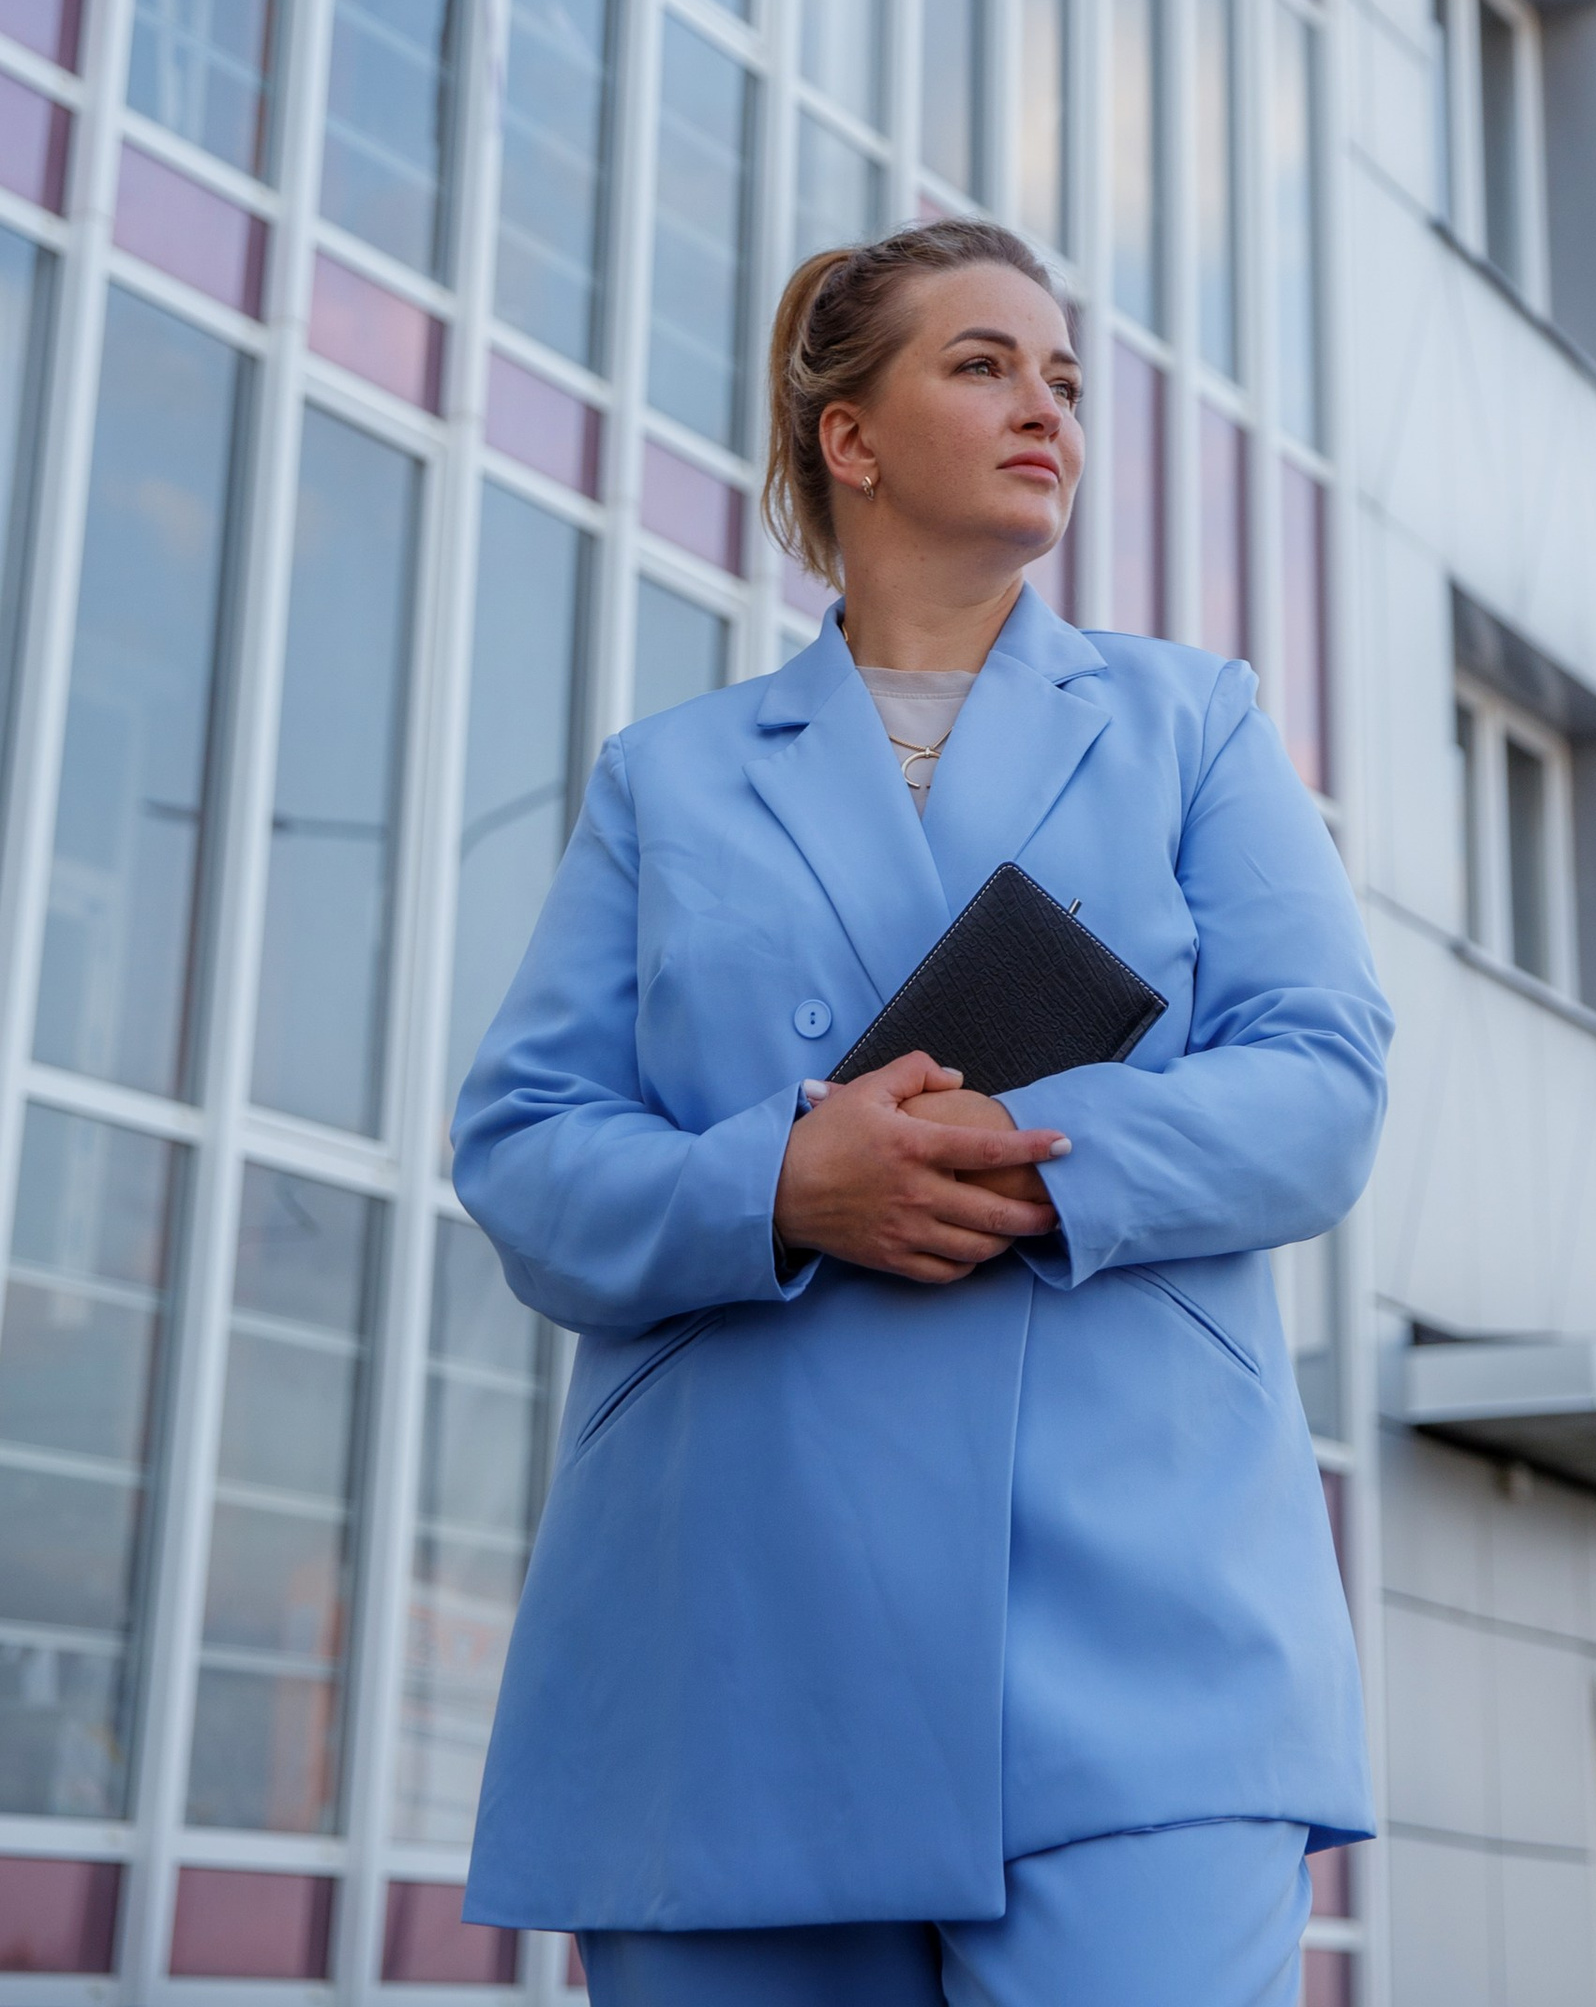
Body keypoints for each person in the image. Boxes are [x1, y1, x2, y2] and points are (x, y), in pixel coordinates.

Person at [452, 218, 1391, 2005]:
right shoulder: (674, 779)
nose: (1046, 403)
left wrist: (1020, 1167)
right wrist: (787, 1186)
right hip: (736, 1634)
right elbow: (525, 1149)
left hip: (1140, 1612)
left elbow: (1321, 1086)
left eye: (1062, 377)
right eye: (983, 364)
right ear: (851, 438)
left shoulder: (1193, 725)